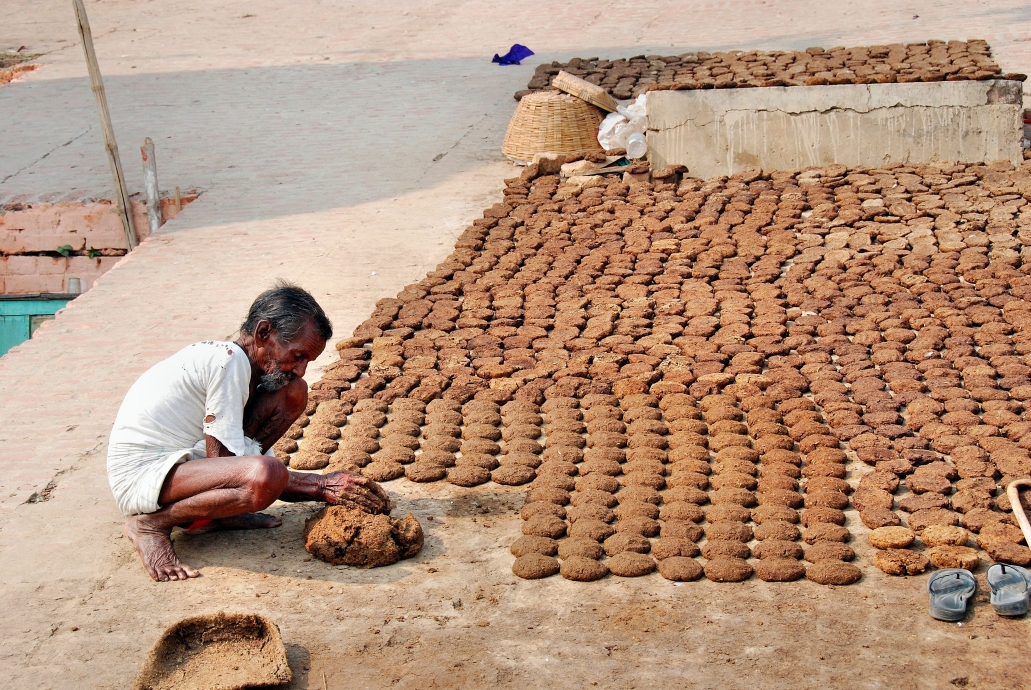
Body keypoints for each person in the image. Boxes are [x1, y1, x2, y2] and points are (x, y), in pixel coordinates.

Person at [107, 283, 390, 582]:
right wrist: (319, 486)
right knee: (266, 475)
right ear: (263, 333)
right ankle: (152, 524)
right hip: (143, 476)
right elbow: (227, 464)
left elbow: (234, 460)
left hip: (181, 465)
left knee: (293, 392)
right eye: (297, 356)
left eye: (307, 361)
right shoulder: (228, 361)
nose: (301, 369)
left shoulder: (244, 365)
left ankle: (220, 513)